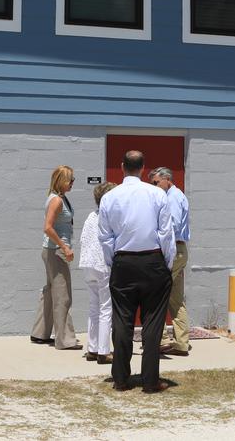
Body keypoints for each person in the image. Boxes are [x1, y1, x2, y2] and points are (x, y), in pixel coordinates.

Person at [98, 150, 175, 393]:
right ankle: (150, 381)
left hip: (123, 262)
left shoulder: (110, 197)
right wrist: (167, 263)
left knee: (122, 321)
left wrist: (115, 262)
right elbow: (166, 233)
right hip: (153, 260)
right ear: (143, 168)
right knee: (153, 324)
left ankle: (121, 378)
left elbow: (105, 237)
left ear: (122, 167)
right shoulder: (156, 194)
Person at [30, 165, 81, 350]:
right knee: (62, 295)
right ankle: (65, 340)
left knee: (50, 292)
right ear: (62, 181)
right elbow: (48, 227)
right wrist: (64, 247)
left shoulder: (60, 198)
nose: (73, 183)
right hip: (56, 252)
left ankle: (40, 333)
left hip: (51, 250)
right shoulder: (56, 201)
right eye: (71, 180)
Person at [150, 167, 191, 357]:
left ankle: (159, 340)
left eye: (156, 182)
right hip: (178, 250)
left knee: (157, 294)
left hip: (173, 250)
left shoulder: (173, 197)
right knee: (175, 299)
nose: (155, 186)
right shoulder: (173, 195)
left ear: (167, 179)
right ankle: (181, 343)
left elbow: (171, 226)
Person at [79, 181, 116, 364]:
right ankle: (103, 351)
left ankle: (92, 349)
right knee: (105, 308)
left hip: (87, 264)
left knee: (94, 307)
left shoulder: (91, 216)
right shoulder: (110, 217)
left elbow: (83, 239)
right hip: (103, 265)